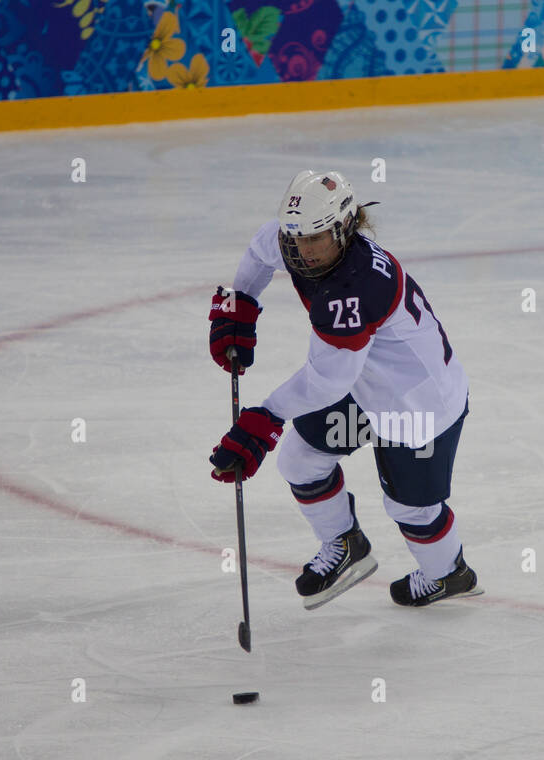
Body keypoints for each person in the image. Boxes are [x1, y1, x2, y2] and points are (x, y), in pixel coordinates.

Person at [206, 169, 481, 609]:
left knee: (410, 510)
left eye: (316, 238)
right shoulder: (295, 240)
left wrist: (267, 417)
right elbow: (262, 251)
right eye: (296, 237)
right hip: (364, 389)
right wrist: (241, 303)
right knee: (300, 459)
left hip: (417, 407)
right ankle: (345, 543)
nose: (304, 249)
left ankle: (449, 574)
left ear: (345, 228)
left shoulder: (354, 289)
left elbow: (328, 379)